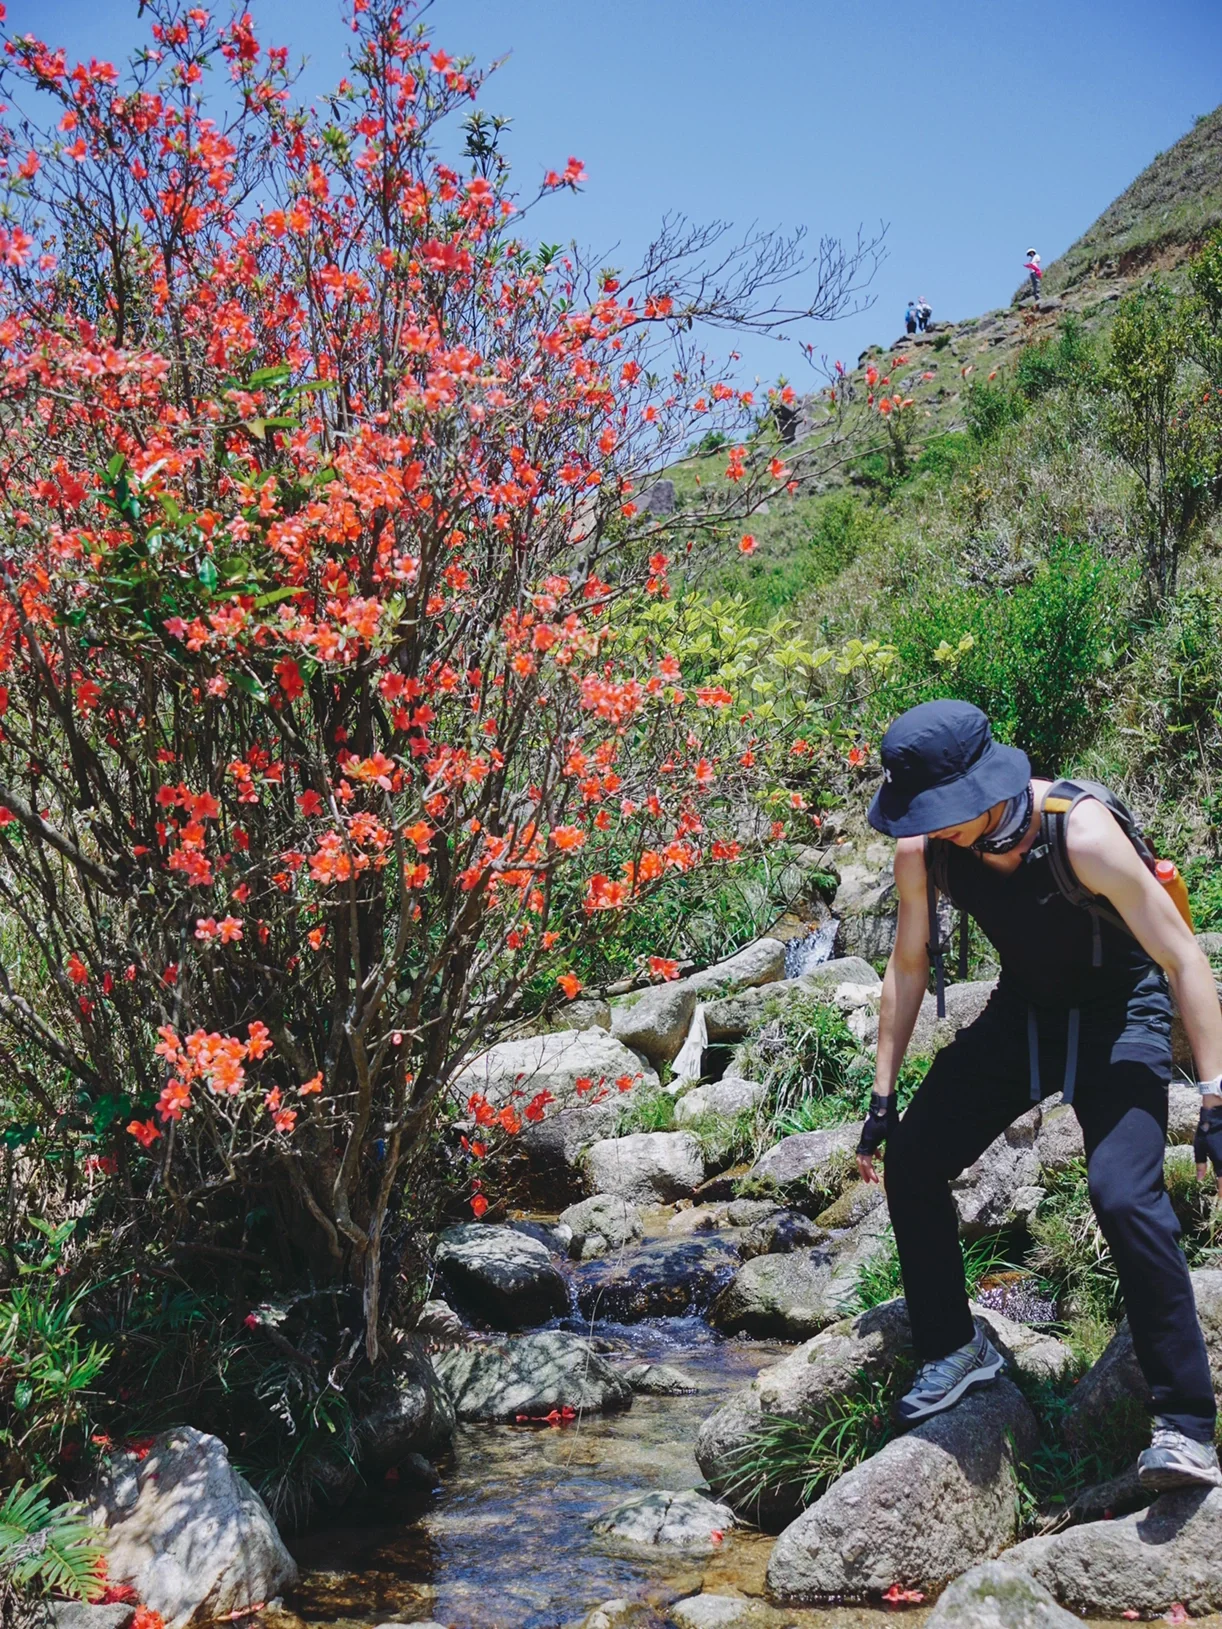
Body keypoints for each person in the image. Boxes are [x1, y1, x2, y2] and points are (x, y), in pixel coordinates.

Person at [857, 699, 1222, 1490]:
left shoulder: (1080, 833)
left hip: (1120, 1012)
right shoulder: (925, 850)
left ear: (983, 790)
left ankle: (1187, 1423)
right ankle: (955, 1348)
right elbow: (909, 963)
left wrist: (1218, 1094)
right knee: (913, 1161)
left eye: (935, 808)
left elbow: (1183, 956)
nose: (924, 823)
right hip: (1025, 1014)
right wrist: (884, 1093)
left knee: (1122, 1193)